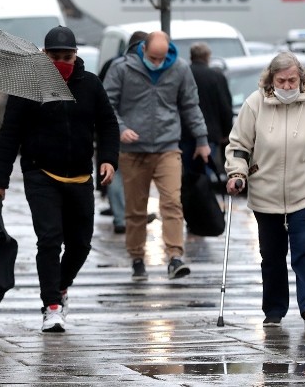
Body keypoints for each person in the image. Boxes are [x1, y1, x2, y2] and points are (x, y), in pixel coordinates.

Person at [0, 26, 119, 333]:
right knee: (49, 240)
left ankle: (59, 286)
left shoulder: (91, 85)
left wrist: (109, 160)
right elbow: (9, 137)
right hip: (40, 174)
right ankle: (52, 306)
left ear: (76, 56)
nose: (62, 61)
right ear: (44, 56)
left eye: (67, 56)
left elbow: (108, 125)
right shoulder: (28, 87)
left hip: (80, 175)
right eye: (55, 56)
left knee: (81, 244)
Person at [224, 51, 305, 330]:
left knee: (304, 250)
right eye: (281, 80)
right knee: (271, 256)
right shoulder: (255, 104)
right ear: (271, 80)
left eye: (292, 80)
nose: (286, 86)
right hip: (265, 194)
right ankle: (274, 310)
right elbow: (239, 145)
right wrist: (237, 172)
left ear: (301, 79)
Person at [104, 30, 211, 282]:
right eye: (152, 58)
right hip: (133, 151)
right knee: (136, 208)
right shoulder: (122, 68)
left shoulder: (180, 69)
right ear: (143, 49)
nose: (157, 63)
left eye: (161, 58)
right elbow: (107, 103)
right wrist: (121, 129)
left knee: (172, 202)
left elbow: (190, 105)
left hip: (167, 146)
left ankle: (175, 257)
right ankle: (137, 257)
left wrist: (202, 140)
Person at [99, 30, 156, 234]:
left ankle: (123, 215)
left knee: (119, 174)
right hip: (126, 129)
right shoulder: (133, 67)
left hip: (115, 128)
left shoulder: (112, 64)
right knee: (129, 174)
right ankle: (126, 215)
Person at [180, 42, 233, 174]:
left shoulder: (183, 74)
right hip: (210, 133)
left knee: (187, 173)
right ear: (208, 57)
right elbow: (225, 105)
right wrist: (227, 132)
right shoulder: (216, 76)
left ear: (191, 56)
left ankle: (188, 194)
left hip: (184, 132)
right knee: (206, 172)